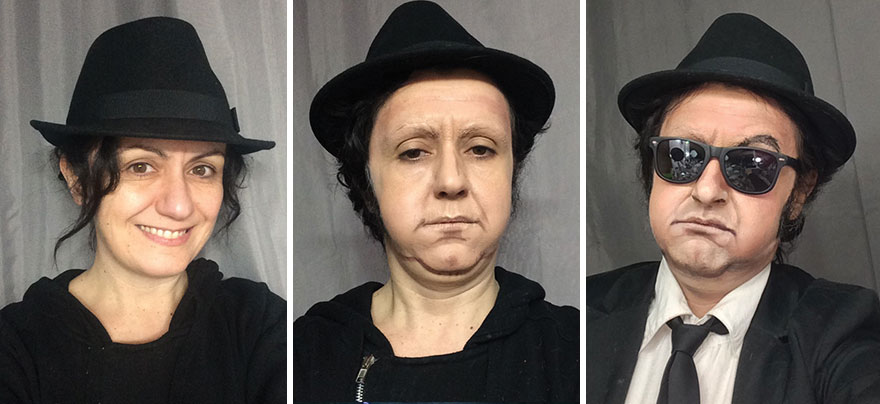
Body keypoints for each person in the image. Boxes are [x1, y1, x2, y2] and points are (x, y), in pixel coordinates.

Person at [585, 13, 880, 404]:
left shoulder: (843, 331)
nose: (707, 191)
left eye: (752, 164)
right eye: (682, 155)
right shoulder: (580, 317)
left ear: (799, 193)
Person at [293, 1, 578, 402]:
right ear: (365, 181)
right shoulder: (301, 356)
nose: (451, 180)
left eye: (481, 149)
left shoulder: (578, 353)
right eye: (413, 152)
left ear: (511, 174)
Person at [0, 17, 285, 403]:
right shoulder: (15, 349)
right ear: (77, 179)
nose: (179, 205)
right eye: (141, 166)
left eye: (202, 169)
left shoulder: (261, 327)